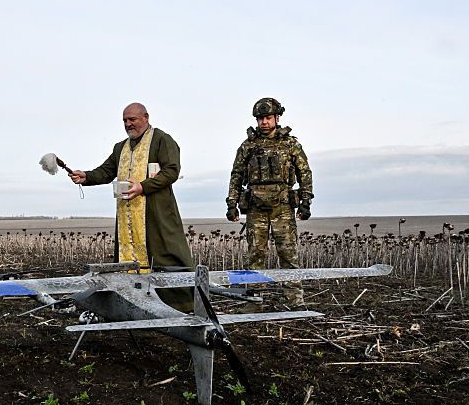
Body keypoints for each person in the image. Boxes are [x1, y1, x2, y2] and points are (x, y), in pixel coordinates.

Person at [68, 103, 194, 309]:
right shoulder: (120, 147)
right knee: (127, 259)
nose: (128, 124)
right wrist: (86, 176)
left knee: (167, 255)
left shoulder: (162, 140)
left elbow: (172, 170)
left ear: (145, 117)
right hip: (127, 217)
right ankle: (135, 303)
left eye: (132, 119)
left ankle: (182, 305)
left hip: (156, 213)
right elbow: (106, 171)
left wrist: (143, 187)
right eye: (125, 120)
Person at [225, 97, 313, 305]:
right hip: (255, 207)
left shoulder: (290, 144)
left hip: (282, 207)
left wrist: (306, 201)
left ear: (277, 117)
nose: (264, 122)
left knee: (288, 254)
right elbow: (236, 175)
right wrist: (231, 203)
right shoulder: (248, 146)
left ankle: (294, 299)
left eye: (267, 118)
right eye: (260, 118)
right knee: (255, 255)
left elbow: (305, 173)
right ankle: (255, 300)